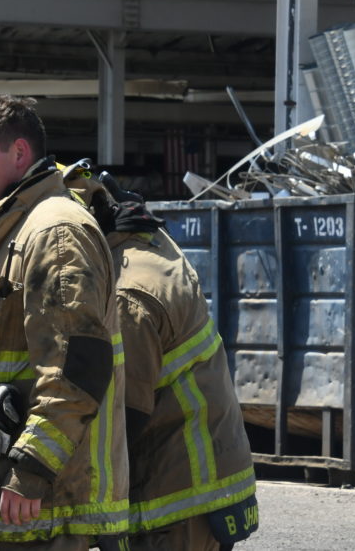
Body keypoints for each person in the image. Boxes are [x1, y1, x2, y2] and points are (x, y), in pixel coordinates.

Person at [0, 95, 128, 550]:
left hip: (42, 511)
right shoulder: (13, 230)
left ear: (19, 153)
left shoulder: (54, 233)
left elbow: (75, 369)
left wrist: (32, 470)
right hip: (11, 506)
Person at [63, 163, 257, 551]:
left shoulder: (127, 296)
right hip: (203, 488)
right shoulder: (143, 245)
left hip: (176, 503)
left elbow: (123, 419)